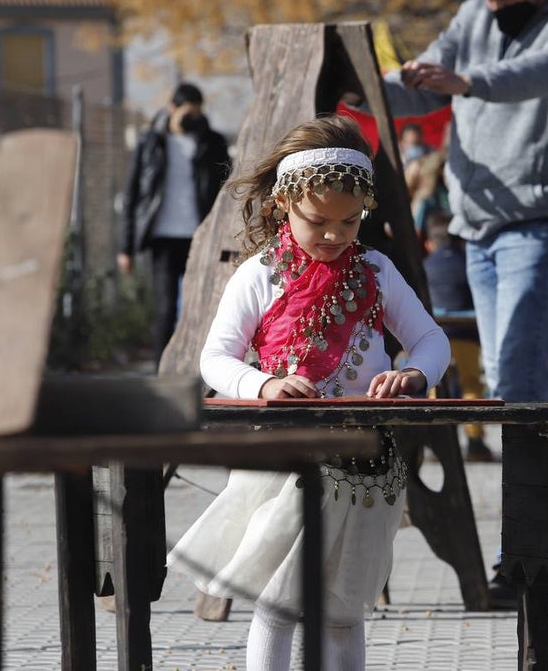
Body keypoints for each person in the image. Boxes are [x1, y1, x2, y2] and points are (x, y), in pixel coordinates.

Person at [377, 0, 548, 606]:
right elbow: (427, 84)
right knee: (514, 385)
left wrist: (466, 80)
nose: (492, 7)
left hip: (541, 224)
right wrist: (364, 83)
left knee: (515, 377)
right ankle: (547, 554)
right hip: (476, 229)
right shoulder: (470, 15)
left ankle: (532, 557)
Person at [167, 115, 451, 671]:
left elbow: (430, 339)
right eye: (318, 221)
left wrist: (415, 374)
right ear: (282, 205)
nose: (335, 235)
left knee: (344, 611)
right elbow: (215, 359)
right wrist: (265, 383)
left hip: (366, 466)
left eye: (350, 221)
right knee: (279, 605)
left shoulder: (377, 270)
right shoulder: (259, 274)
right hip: (285, 460)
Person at [118, 82, 231, 369]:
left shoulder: (212, 142)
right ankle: (162, 372)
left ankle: (200, 370)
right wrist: (126, 247)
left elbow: (227, 188)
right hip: (162, 238)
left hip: (200, 238)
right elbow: (133, 193)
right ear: (171, 109)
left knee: (202, 308)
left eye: (197, 113)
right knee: (166, 309)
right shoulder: (150, 141)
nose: (193, 118)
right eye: (187, 113)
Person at [422, 211, 492, 461]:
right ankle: (475, 441)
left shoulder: (426, 265)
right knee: (471, 383)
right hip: (466, 333)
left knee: (435, 385)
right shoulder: (467, 263)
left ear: (429, 243)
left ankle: (437, 441)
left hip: (435, 335)